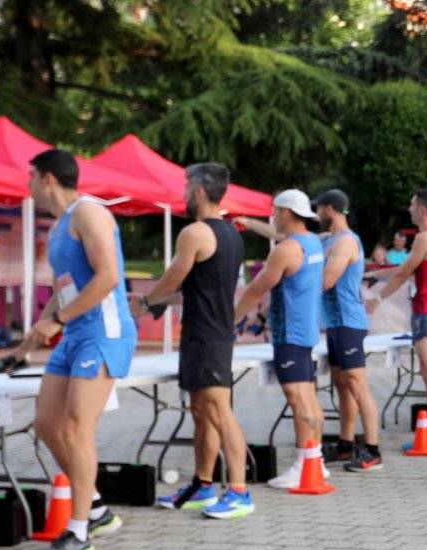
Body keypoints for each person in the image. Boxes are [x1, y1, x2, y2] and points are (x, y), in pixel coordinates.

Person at [19, 149, 138, 550]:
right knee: (47, 424)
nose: (28, 185)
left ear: (48, 178)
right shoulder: (59, 226)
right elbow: (66, 288)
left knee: (75, 429)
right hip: (74, 333)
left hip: (104, 332)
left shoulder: (90, 213)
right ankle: (98, 508)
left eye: (31, 176)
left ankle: (80, 532)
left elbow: (109, 277)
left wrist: (59, 319)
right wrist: (31, 339)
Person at [133, 162, 252, 518]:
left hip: (208, 337)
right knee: (202, 413)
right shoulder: (231, 233)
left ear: (199, 192)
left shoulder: (195, 233)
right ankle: (203, 485)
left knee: (219, 412)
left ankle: (240, 492)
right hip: (207, 333)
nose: (184, 195)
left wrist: (143, 304)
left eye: (186, 188)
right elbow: (195, 288)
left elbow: (172, 280)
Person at [235, 190, 327, 488]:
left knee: (299, 400)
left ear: (286, 212)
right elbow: (276, 235)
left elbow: (256, 289)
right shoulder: (312, 242)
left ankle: (303, 465)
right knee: (309, 398)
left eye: (275, 211)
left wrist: (232, 319)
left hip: (290, 334)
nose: (273, 216)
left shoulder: (286, 250)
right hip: (306, 330)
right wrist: (249, 222)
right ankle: (315, 461)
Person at [369, 189, 427, 451]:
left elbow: (402, 274)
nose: (409, 210)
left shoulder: (423, 238)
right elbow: (407, 269)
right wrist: (376, 275)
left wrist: (377, 299)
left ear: (422, 210)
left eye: (411, 206)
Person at [315, 189, 382, 472]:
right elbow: (286, 236)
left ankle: (373, 451)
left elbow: (326, 281)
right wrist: (248, 222)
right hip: (335, 323)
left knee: (357, 385)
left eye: (319, 209)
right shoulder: (327, 239)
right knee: (342, 385)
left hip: (349, 322)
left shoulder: (345, 242)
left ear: (329, 210)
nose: (316, 214)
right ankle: (345, 445)